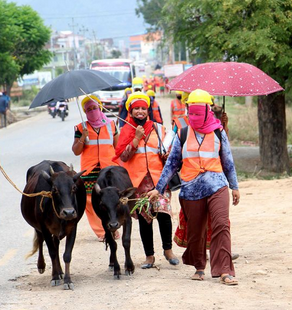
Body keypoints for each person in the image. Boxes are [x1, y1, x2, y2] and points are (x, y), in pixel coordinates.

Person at [148, 89, 240, 285]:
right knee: (196, 230)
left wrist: (234, 186)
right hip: (191, 189)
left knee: (221, 225)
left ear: (208, 111)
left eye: (199, 112)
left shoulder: (218, 131)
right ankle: (199, 266)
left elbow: (228, 161)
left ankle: (224, 270)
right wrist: (159, 188)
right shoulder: (182, 133)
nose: (195, 116)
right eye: (192, 112)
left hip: (218, 186)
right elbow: (172, 164)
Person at [114, 91, 179, 269]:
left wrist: (166, 154)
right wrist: (135, 138)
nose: (140, 112)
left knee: (164, 215)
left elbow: (170, 151)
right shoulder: (126, 130)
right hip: (138, 183)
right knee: (144, 219)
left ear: (148, 110)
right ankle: (149, 256)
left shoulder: (159, 128)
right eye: (136, 109)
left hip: (159, 180)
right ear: (131, 111)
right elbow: (123, 157)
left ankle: (168, 251)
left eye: (143, 108)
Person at [72, 95, 119, 241]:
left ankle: (114, 228)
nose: (92, 111)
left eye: (94, 108)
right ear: (85, 112)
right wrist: (82, 138)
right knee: (90, 201)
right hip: (90, 170)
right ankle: (101, 231)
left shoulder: (111, 125)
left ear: (100, 108)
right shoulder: (81, 128)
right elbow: (76, 150)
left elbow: (117, 146)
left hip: (109, 169)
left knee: (111, 200)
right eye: (89, 109)